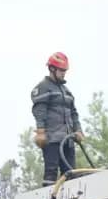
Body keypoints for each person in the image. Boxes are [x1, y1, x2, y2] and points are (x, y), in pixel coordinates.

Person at [31, 51, 84, 186]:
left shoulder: (67, 91)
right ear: (52, 69)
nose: (63, 73)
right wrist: (41, 132)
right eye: (61, 70)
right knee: (51, 171)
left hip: (68, 139)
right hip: (52, 139)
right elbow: (40, 111)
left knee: (71, 173)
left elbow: (73, 112)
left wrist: (78, 130)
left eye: (64, 71)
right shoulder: (42, 87)